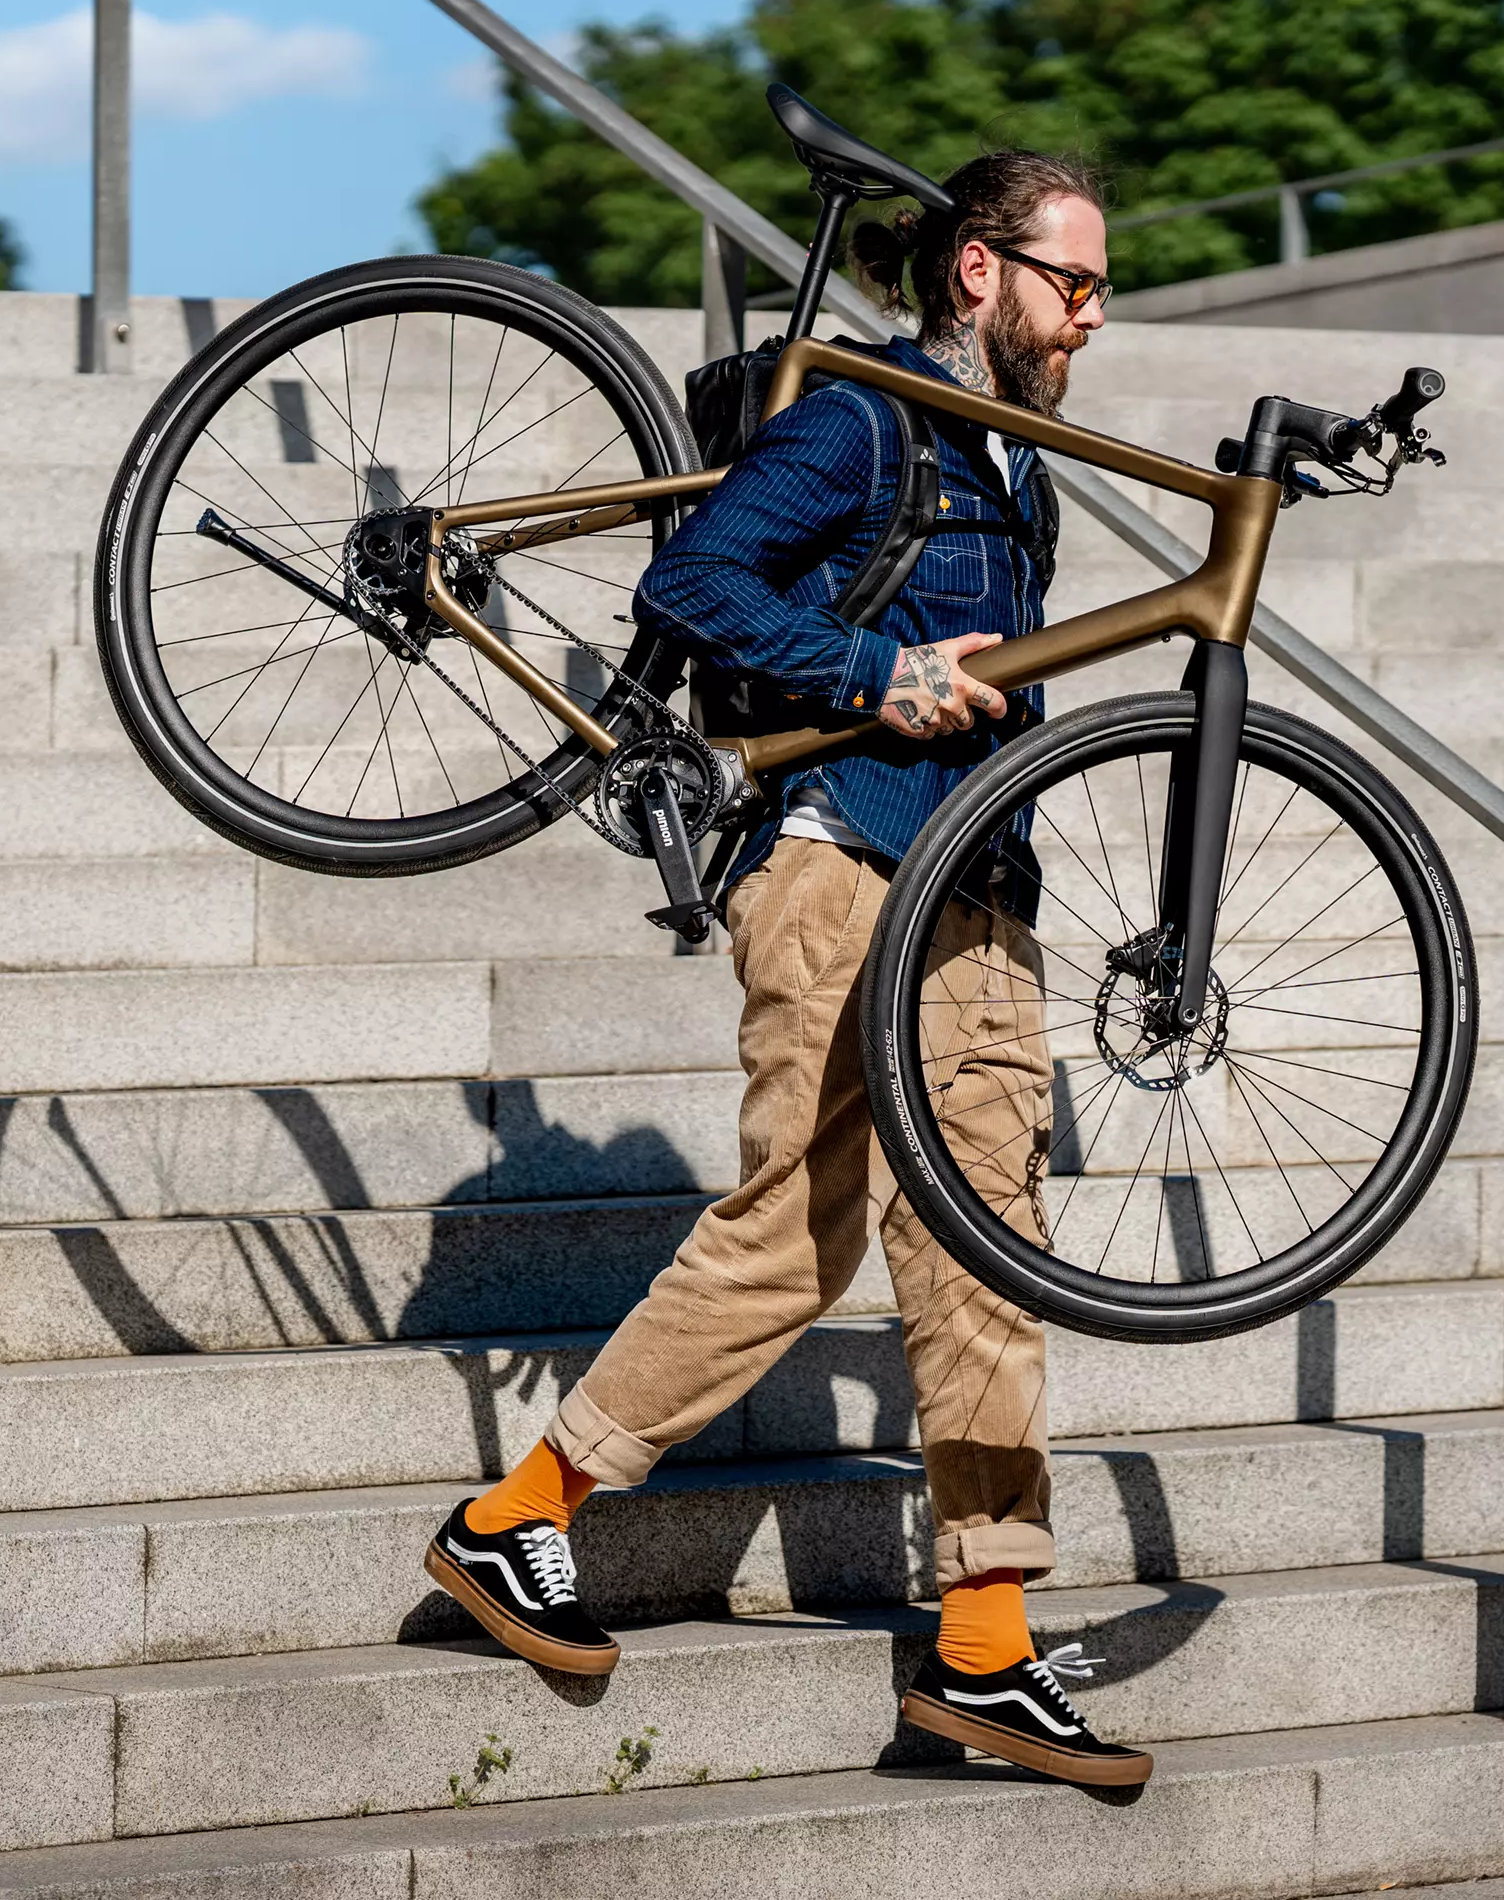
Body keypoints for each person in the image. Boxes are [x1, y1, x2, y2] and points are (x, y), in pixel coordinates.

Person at [422, 148, 1146, 1791]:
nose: (1092, 317)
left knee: (987, 1251)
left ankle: (984, 1654)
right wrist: (871, 672)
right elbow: (691, 579)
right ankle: (515, 1522)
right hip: (842, 857)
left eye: (1103, 291)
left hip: (969, 877)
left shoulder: (1011, 458)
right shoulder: (870, 413)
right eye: (1075, 283)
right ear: (979, 270)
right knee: (794, 1234)